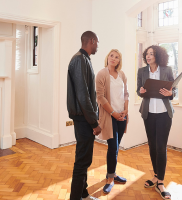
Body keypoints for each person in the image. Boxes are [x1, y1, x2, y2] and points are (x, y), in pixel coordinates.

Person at [67, 31, 102, 200]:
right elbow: (83, 96)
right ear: (92, 41)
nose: (97, 46)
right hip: (84, 119)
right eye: (97, 43)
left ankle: (83, 194)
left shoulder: (84, 59)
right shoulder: (79, 60)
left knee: (85, 159)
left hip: (84, 118)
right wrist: (94, 122)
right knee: (82, 160)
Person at [137, 45, 175, 199]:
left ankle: (160, 182)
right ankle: (155, 174)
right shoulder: (142, 71)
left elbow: (173, 90)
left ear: (158, 55)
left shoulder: (166, 70)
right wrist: (140, 92)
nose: (148, 56)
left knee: (161, 147)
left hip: (164, 113)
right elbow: (138, 90)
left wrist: (170, 93)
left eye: (151, 54)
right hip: (149, 113)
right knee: (152, 145)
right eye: (147, 54)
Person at [95, 49, 129, 194]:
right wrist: (114, 114)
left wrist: (126, 110)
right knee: (113, 147)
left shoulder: (121, 74)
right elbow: (100, 97)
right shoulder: (102, 74)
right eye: (111, 56)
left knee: (116, 146)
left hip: (122, 115)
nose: (113, 59)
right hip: (110, 116)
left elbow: (126, 93)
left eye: (117, 57)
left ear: (119, 61)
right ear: (107, 58)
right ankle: (110, 179)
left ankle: (113, 173)